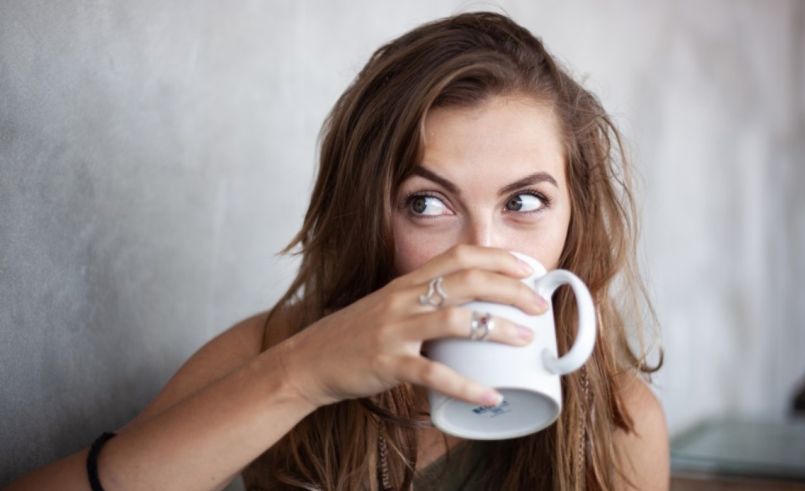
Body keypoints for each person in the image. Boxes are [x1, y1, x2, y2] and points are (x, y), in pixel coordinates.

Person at [7, 11, 668, 491]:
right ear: (370, 215)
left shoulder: (615, 425)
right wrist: (301, 376)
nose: (479, 250)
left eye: (523, 202)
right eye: (427, 203)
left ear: (576, 215)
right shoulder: (278, 352)